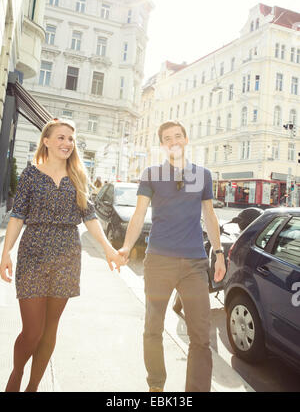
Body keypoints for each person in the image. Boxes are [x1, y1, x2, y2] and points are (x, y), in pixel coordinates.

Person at [0, 118, 125, 392]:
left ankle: (33, 386)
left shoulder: (78, 176)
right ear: (46, 141)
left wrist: (108, 250)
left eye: (71, 139)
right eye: (61, 137)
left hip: (67, 256)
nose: (67, 143)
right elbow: (18, 215)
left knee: (49, 329)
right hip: (33, 253)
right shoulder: (31, 175)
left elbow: (90, 216)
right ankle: (17, 372)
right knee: (32, 331)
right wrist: (6, 252)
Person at [118, 121, 226, 392]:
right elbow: (140, 213)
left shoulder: (203, 175)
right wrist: (125, 246)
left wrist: (220, 252)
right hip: (158, 262)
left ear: (186, 139)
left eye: (178, 135)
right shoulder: (152, 174)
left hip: (194, 264)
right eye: (167, 138)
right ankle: (156, 386)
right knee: (153, 328)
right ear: (162, 144)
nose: (173, 141)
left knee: (201, 335)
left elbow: (209, 216)